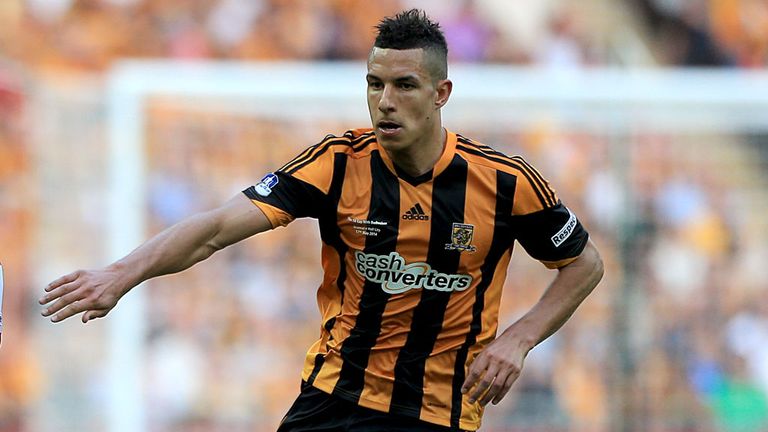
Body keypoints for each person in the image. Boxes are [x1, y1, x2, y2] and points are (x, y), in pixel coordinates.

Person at [40, 9, 603, 432]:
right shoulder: (336, 163)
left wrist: (521, 338)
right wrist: (121, 274)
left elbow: (584, 265)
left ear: (441, 93)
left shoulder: (504, 180)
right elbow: (213, 230)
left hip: (440, 411)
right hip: (335, 399)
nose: (385, 101)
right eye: (374, 83)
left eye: (404, 85)